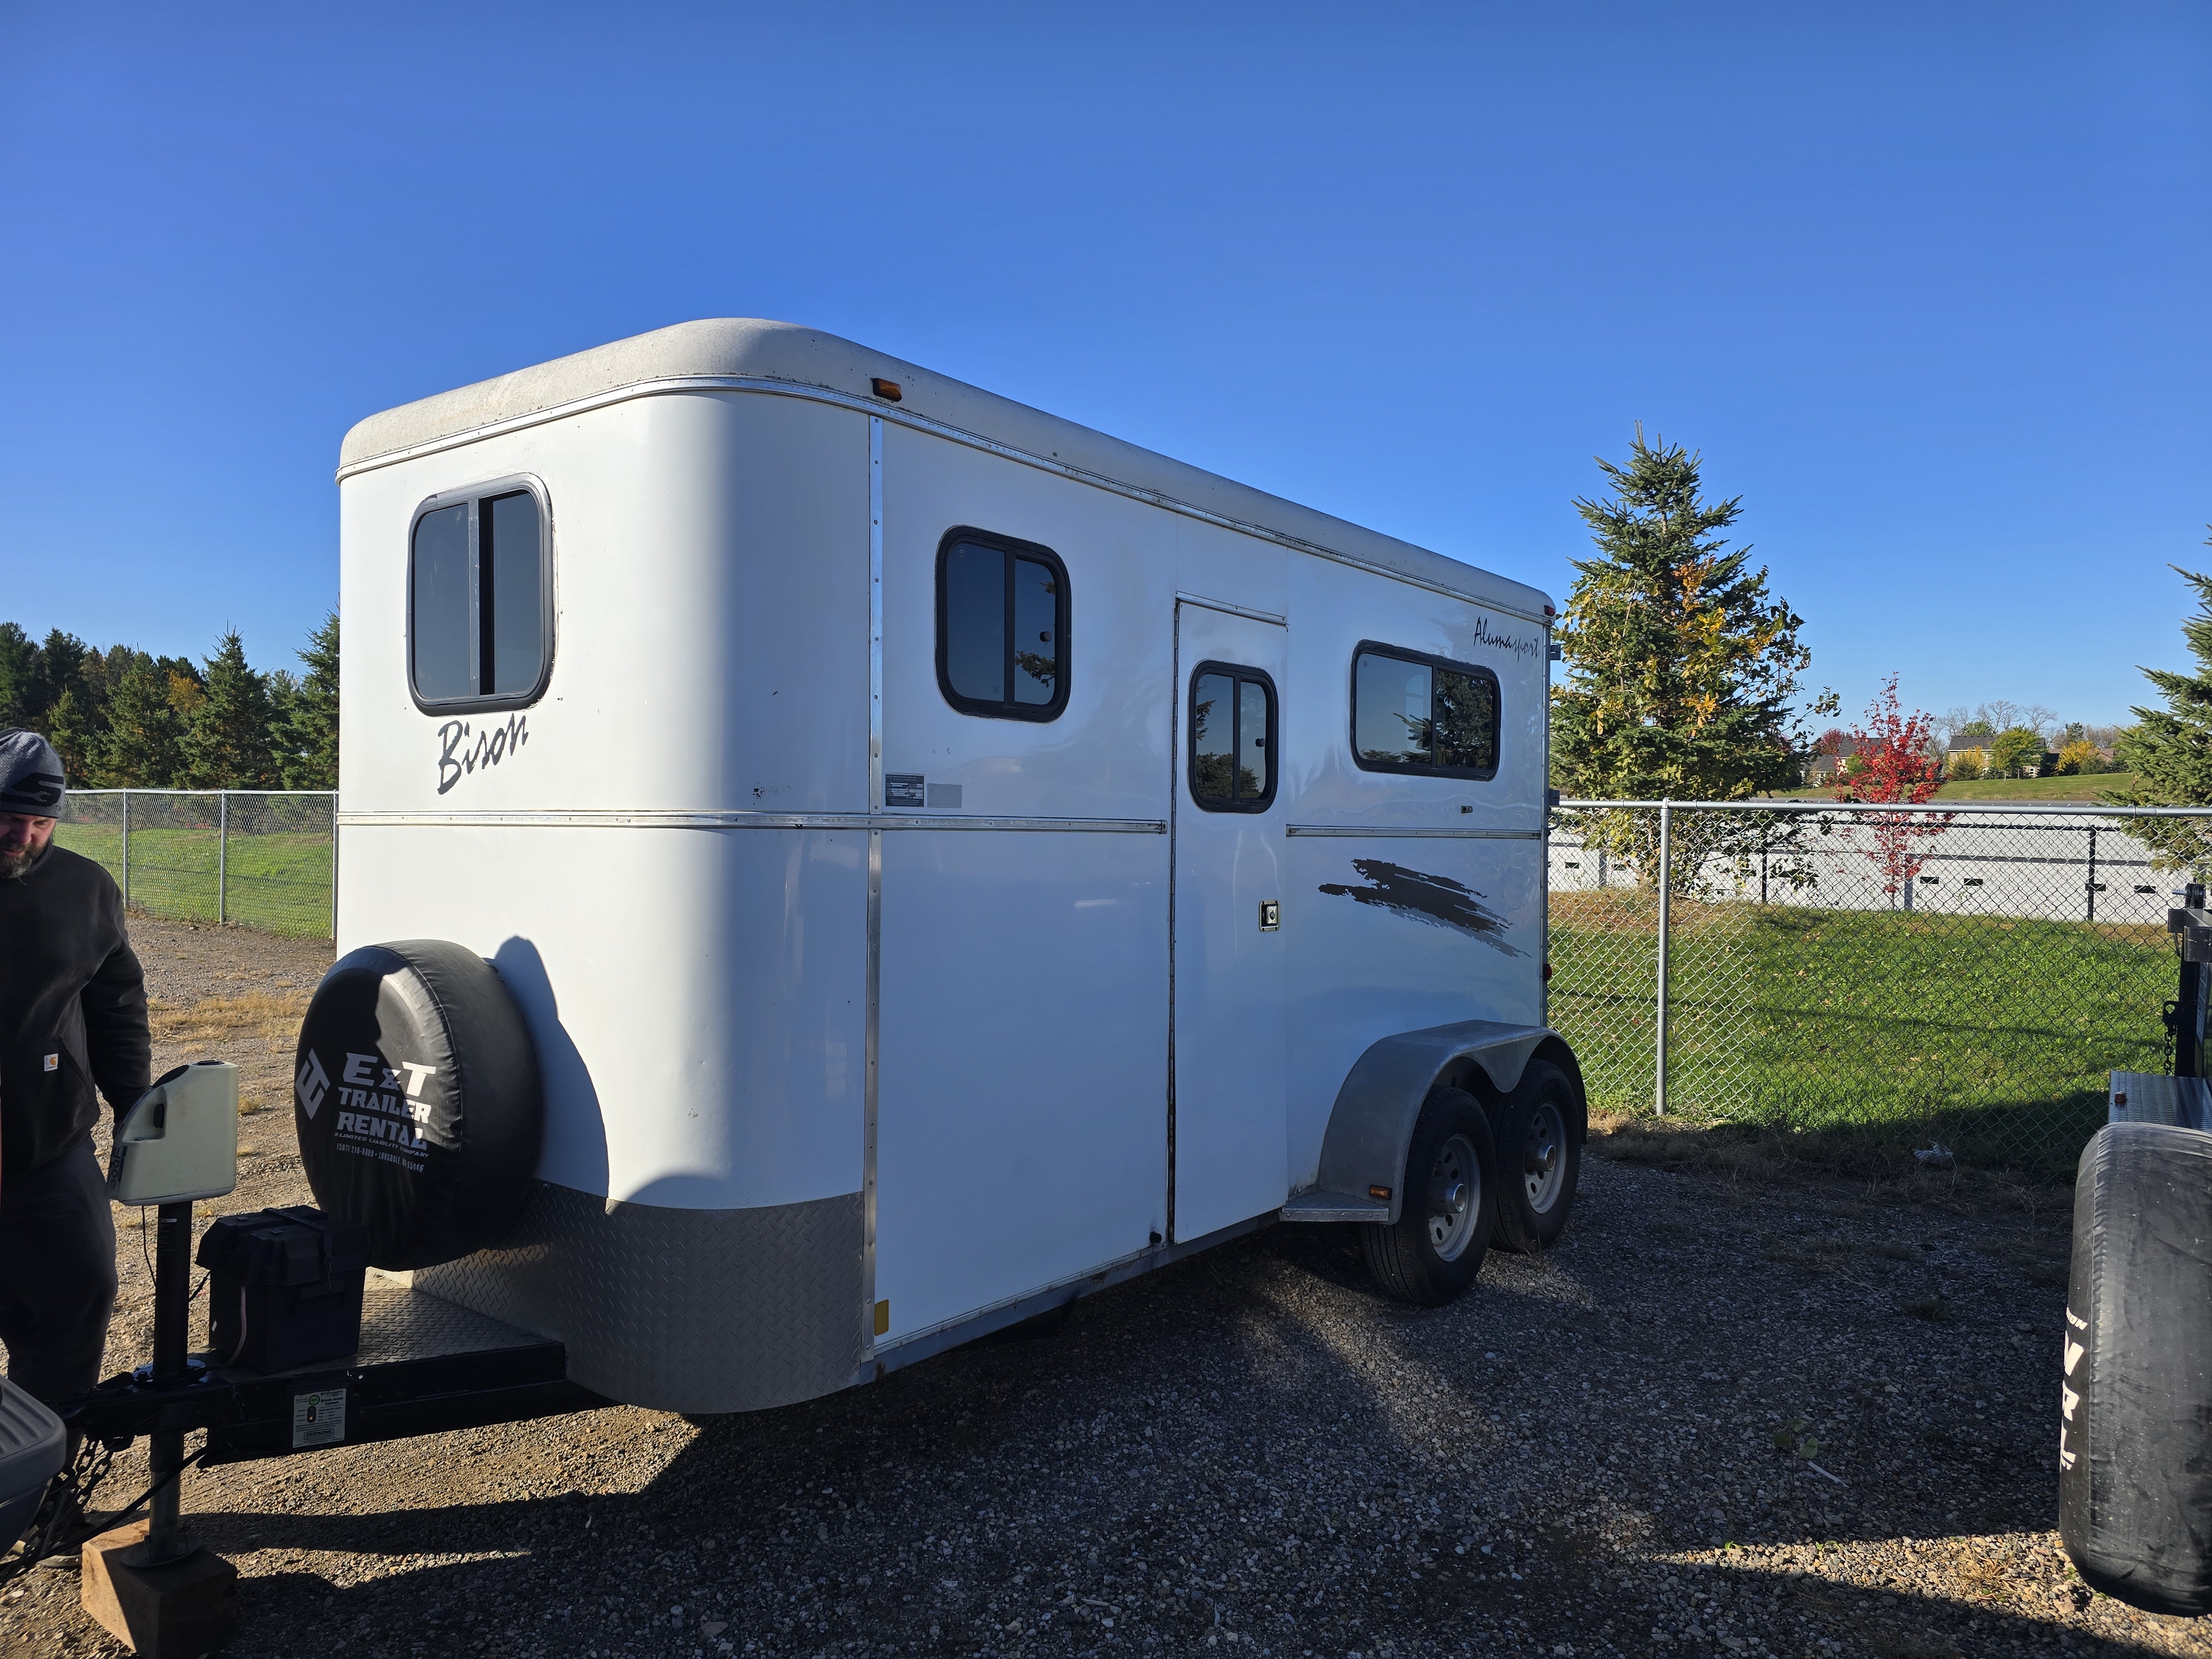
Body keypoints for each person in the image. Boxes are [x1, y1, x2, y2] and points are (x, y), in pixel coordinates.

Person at [0, 729, 149, 1425]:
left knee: (78, 1297)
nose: (23, 835)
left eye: (39, 821)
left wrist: (134, 1102)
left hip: (47, 1149)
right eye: (8, 817)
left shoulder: (85, 890)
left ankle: (41, 1492)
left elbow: (116, 1003)